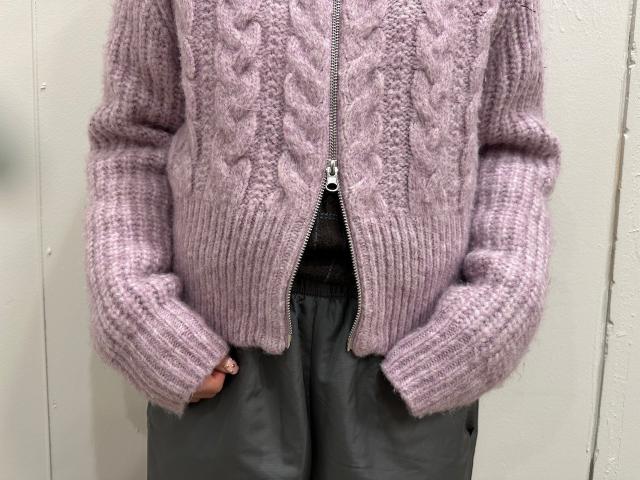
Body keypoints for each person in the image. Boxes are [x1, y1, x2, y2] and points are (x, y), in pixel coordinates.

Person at [83, 0, 561, 478]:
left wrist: (496, 310)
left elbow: (512, 146)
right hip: (220, 350)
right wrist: (136, 311)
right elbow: (134, 135)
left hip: (415, 352)